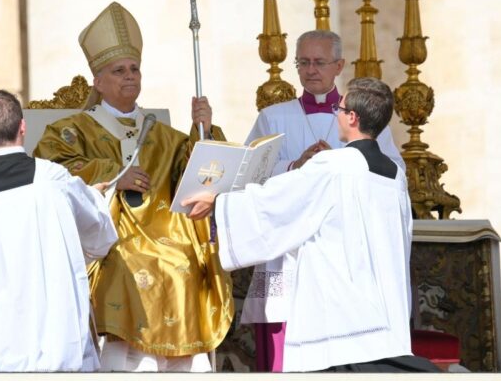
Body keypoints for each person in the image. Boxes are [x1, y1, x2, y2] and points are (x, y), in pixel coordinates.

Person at [182, 77, 439, 372]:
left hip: (342, 322)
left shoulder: (333, 166)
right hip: (387, 314)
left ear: (352, 118)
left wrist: (218, 203)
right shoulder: (395, 175)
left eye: (339, 110)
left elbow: (275, 203)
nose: (336, 116)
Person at [33, 2, 233, 372]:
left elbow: (197, 175)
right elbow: (50, 174)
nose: (130, 76)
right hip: (105, 242)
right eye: (119, 70)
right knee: (129, 265)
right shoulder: (71, 130)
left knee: (184, 261)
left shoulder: (161, 134)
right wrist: (111, 175)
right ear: (97, 81)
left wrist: (203, 129)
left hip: (163, 236)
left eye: (134, 69)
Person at [243, 30, 405, 372]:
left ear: (338, 65)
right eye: (303, 62)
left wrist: (347, 163)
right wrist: (294, 166)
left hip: (346, 256)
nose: (310, 70)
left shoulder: (366, 118)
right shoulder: (273, 117)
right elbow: (248, 175)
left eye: (318, 62)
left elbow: (392, 176)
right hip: (285, 257)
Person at [0, 90, 118, 372]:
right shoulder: (53, 178)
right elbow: (98, 232)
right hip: (55, 337)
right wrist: (97, 195)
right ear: (23, 127)